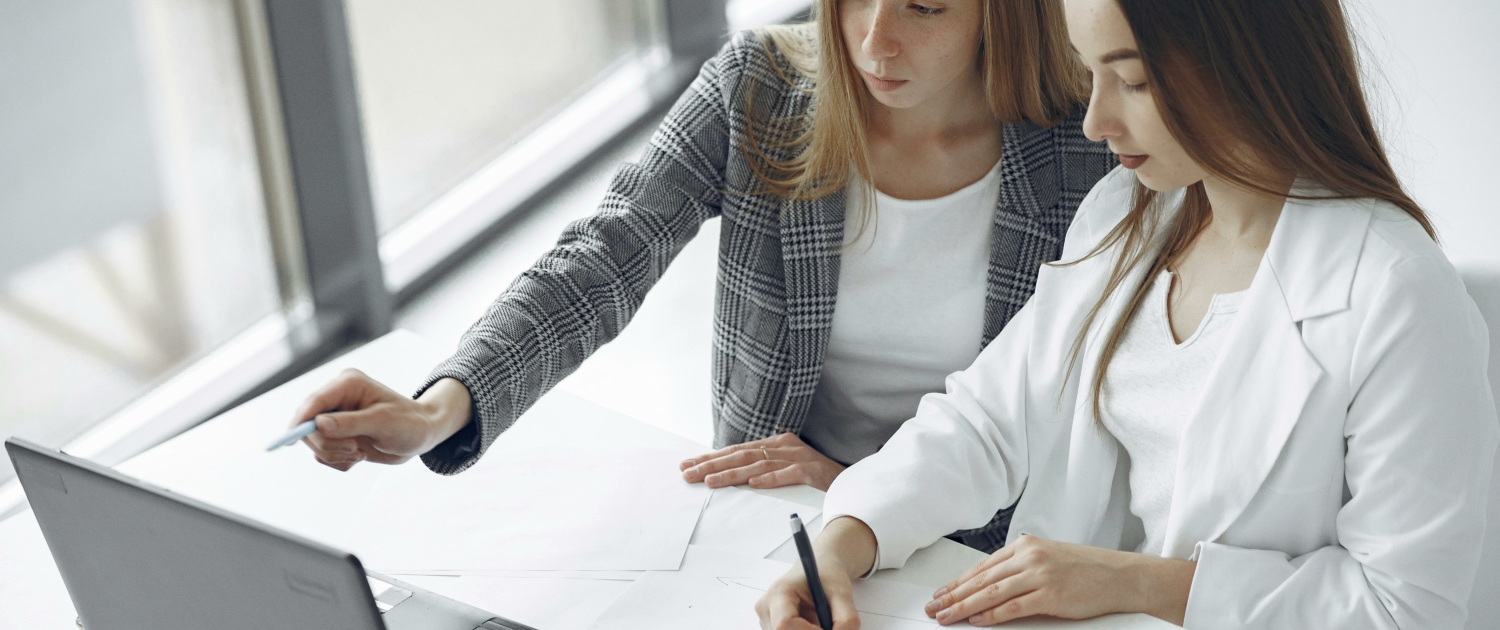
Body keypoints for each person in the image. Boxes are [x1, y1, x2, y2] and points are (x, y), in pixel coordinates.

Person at [756, 0, 1499, 627]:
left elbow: (1407, 606)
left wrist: (1138, 582)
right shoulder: (1129, 215)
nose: (1094, 122)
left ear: (1249, 67)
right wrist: (844, 542)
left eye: (1133, 82)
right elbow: (988, 419)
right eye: (1091, 74)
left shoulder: (1398, 295)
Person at [287, 0, 1115, 551]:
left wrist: (863, 494)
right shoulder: (761, 87)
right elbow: (605, 255)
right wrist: (439, 407)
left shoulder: (1091, 145)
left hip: (974, 549)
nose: (874, 40)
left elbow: (1088, 432)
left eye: (925, 4)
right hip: (769, 526)